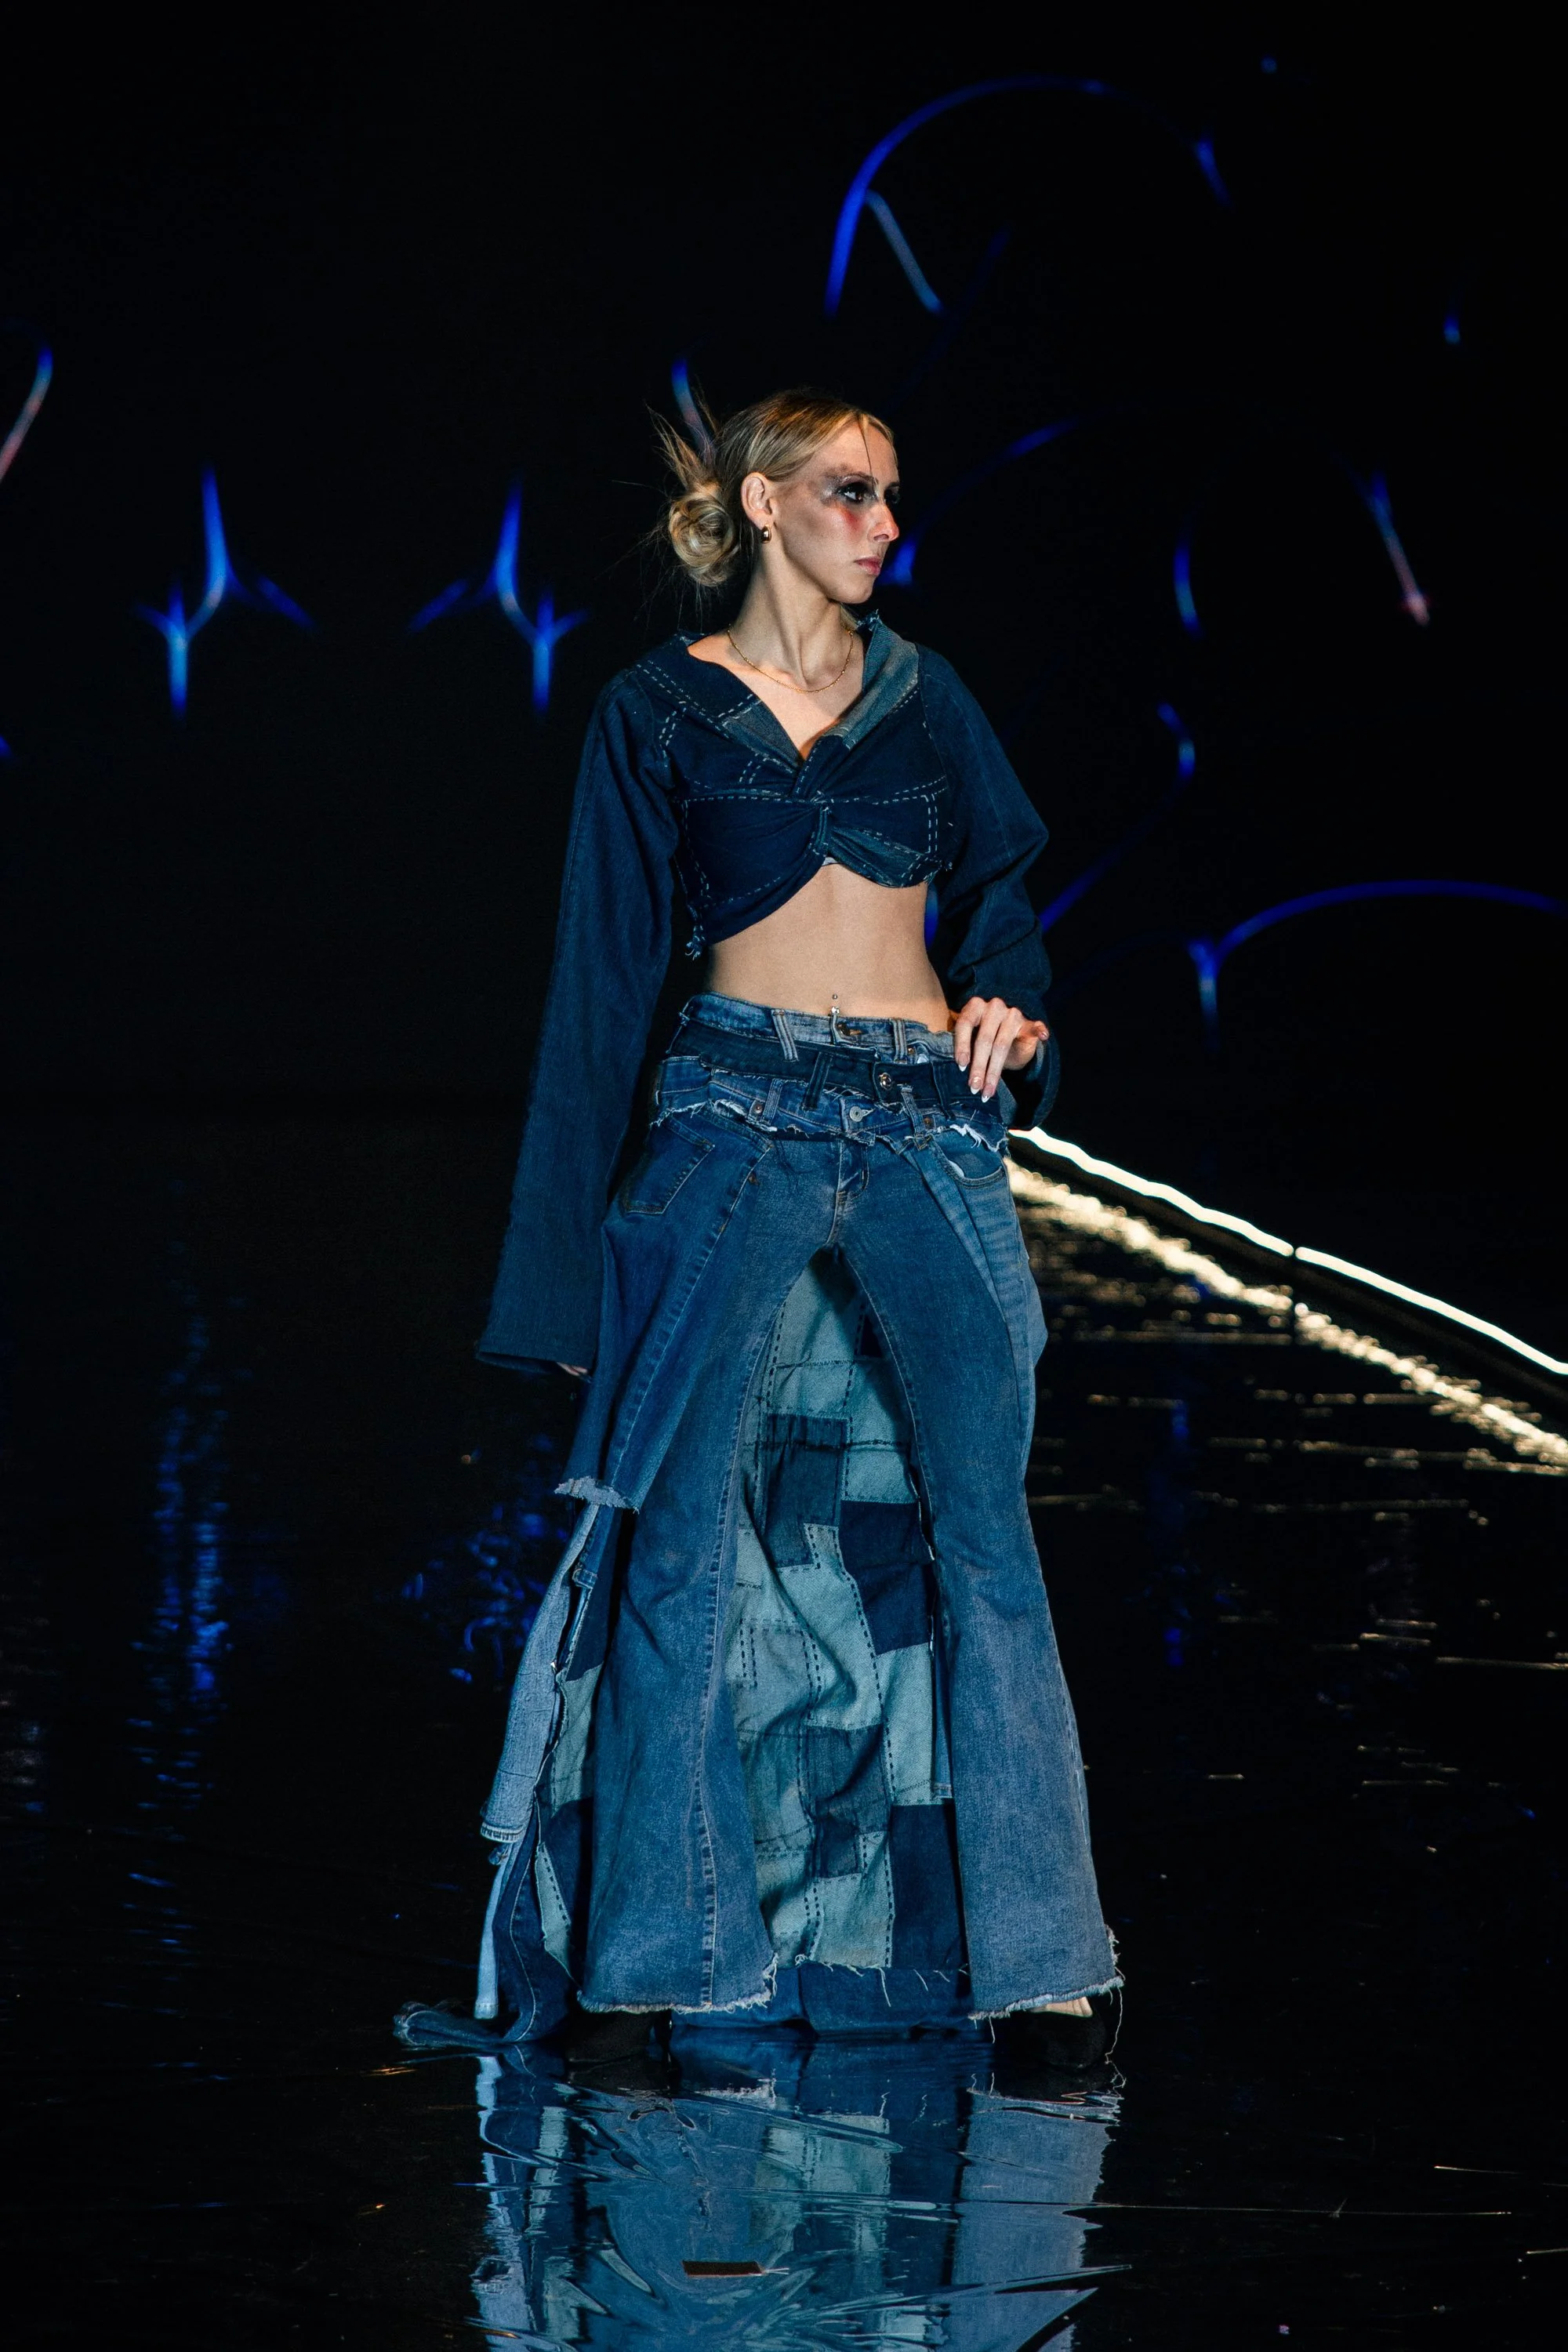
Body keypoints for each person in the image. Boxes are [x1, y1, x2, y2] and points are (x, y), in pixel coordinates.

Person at [468, 387, 1119, 2072]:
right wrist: (557, 1289)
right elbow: (601, 989)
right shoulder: (654, 712)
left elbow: (1003, 889)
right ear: (762, 505)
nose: (885, 520)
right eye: (850, 489)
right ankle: (668, 1964)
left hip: (920, 1129)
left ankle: (1045, 1965)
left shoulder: (926, 697)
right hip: (727, 1118)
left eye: (895, 494)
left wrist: (1009, 996)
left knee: (988, 1541)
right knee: (679, 1545)